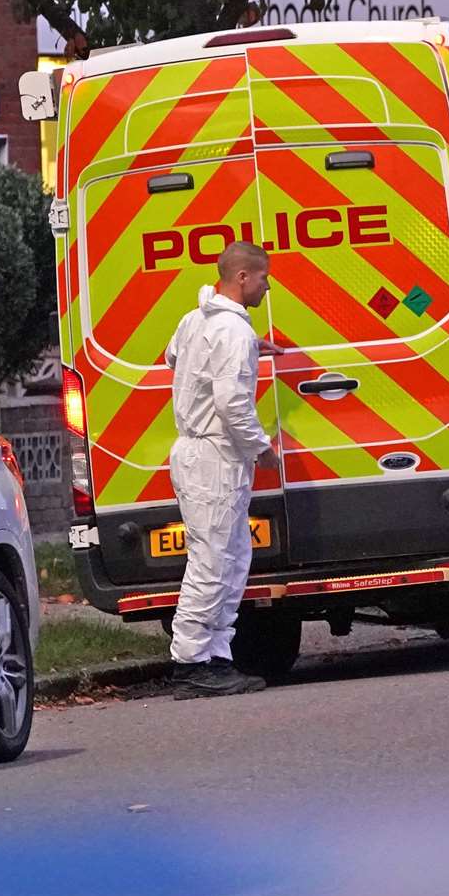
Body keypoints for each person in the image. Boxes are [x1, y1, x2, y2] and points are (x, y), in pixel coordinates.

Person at [164, 241, 281, 700]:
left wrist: (248, 346)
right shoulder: (231, 331)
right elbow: (231, 402)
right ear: (242, 278)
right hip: (215, 457)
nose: (267, 286)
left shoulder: (198, 320)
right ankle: (190, 662)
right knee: (213, 562)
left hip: (204, 454)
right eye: (264, 277)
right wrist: (261, 447)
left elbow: (173, 356)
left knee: (230, 558)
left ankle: (215, 656)